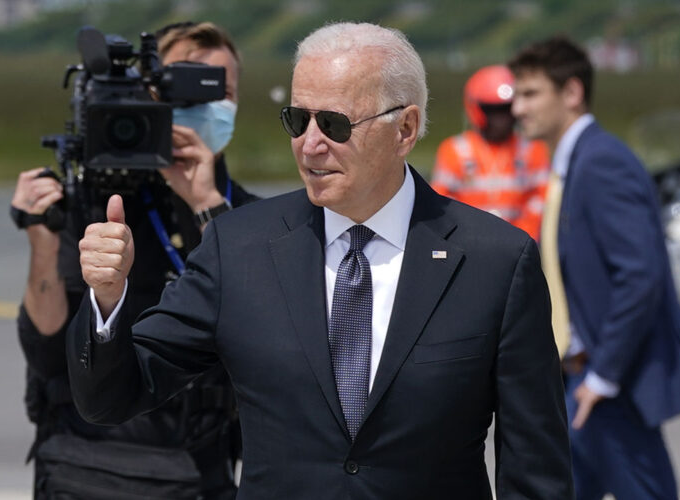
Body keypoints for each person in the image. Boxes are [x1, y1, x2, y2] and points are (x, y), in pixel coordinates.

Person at [65, 22, 573, 499]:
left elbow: (535, 467)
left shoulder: (496, 262)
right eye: (297, 119)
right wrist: (107, 301)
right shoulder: (237, 247)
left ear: (405, 129)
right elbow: (114, 397)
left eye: (333, 123)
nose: (310, 144)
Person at [12, 21, 255, 499]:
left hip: (197, 468)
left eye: (219, 89)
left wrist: (207, 204)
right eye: (185, 86)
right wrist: (42, 240)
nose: (206, 105)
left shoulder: (248, 217)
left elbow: (261, 327)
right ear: (150, 94)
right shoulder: (96, 202)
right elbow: (44, 352)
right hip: (85, 466)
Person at [509, 36, 680, 500]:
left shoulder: (601, 162)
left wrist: (603, 375)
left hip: (610, 385)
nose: (517, 108)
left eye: (530, 94)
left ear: (571, 93)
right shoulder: (575, 163)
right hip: (582, 377)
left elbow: (640, 275)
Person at [431, 65, 549, 239]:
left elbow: (540, 201)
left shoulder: (533, 150)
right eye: (492, 110)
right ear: (476, 109)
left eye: (506, 110)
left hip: (519, 244)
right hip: (469, 243)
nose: (501, 119)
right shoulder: (455, 151)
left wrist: (521, 238)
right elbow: (442, 203)